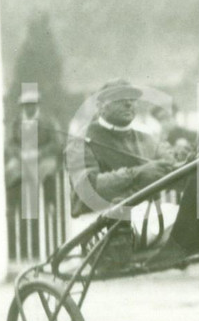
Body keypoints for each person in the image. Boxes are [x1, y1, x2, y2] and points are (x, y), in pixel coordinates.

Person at [67, 79, 179, 261]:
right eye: (120, 99)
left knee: (195, 219)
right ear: (101, 106)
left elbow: (173, 169)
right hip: (98, 223)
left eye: (132, 99)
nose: (128, 103)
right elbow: (90, 187)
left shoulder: (147, 138)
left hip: (144, 219)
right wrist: (139, 173)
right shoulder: (80, 141)